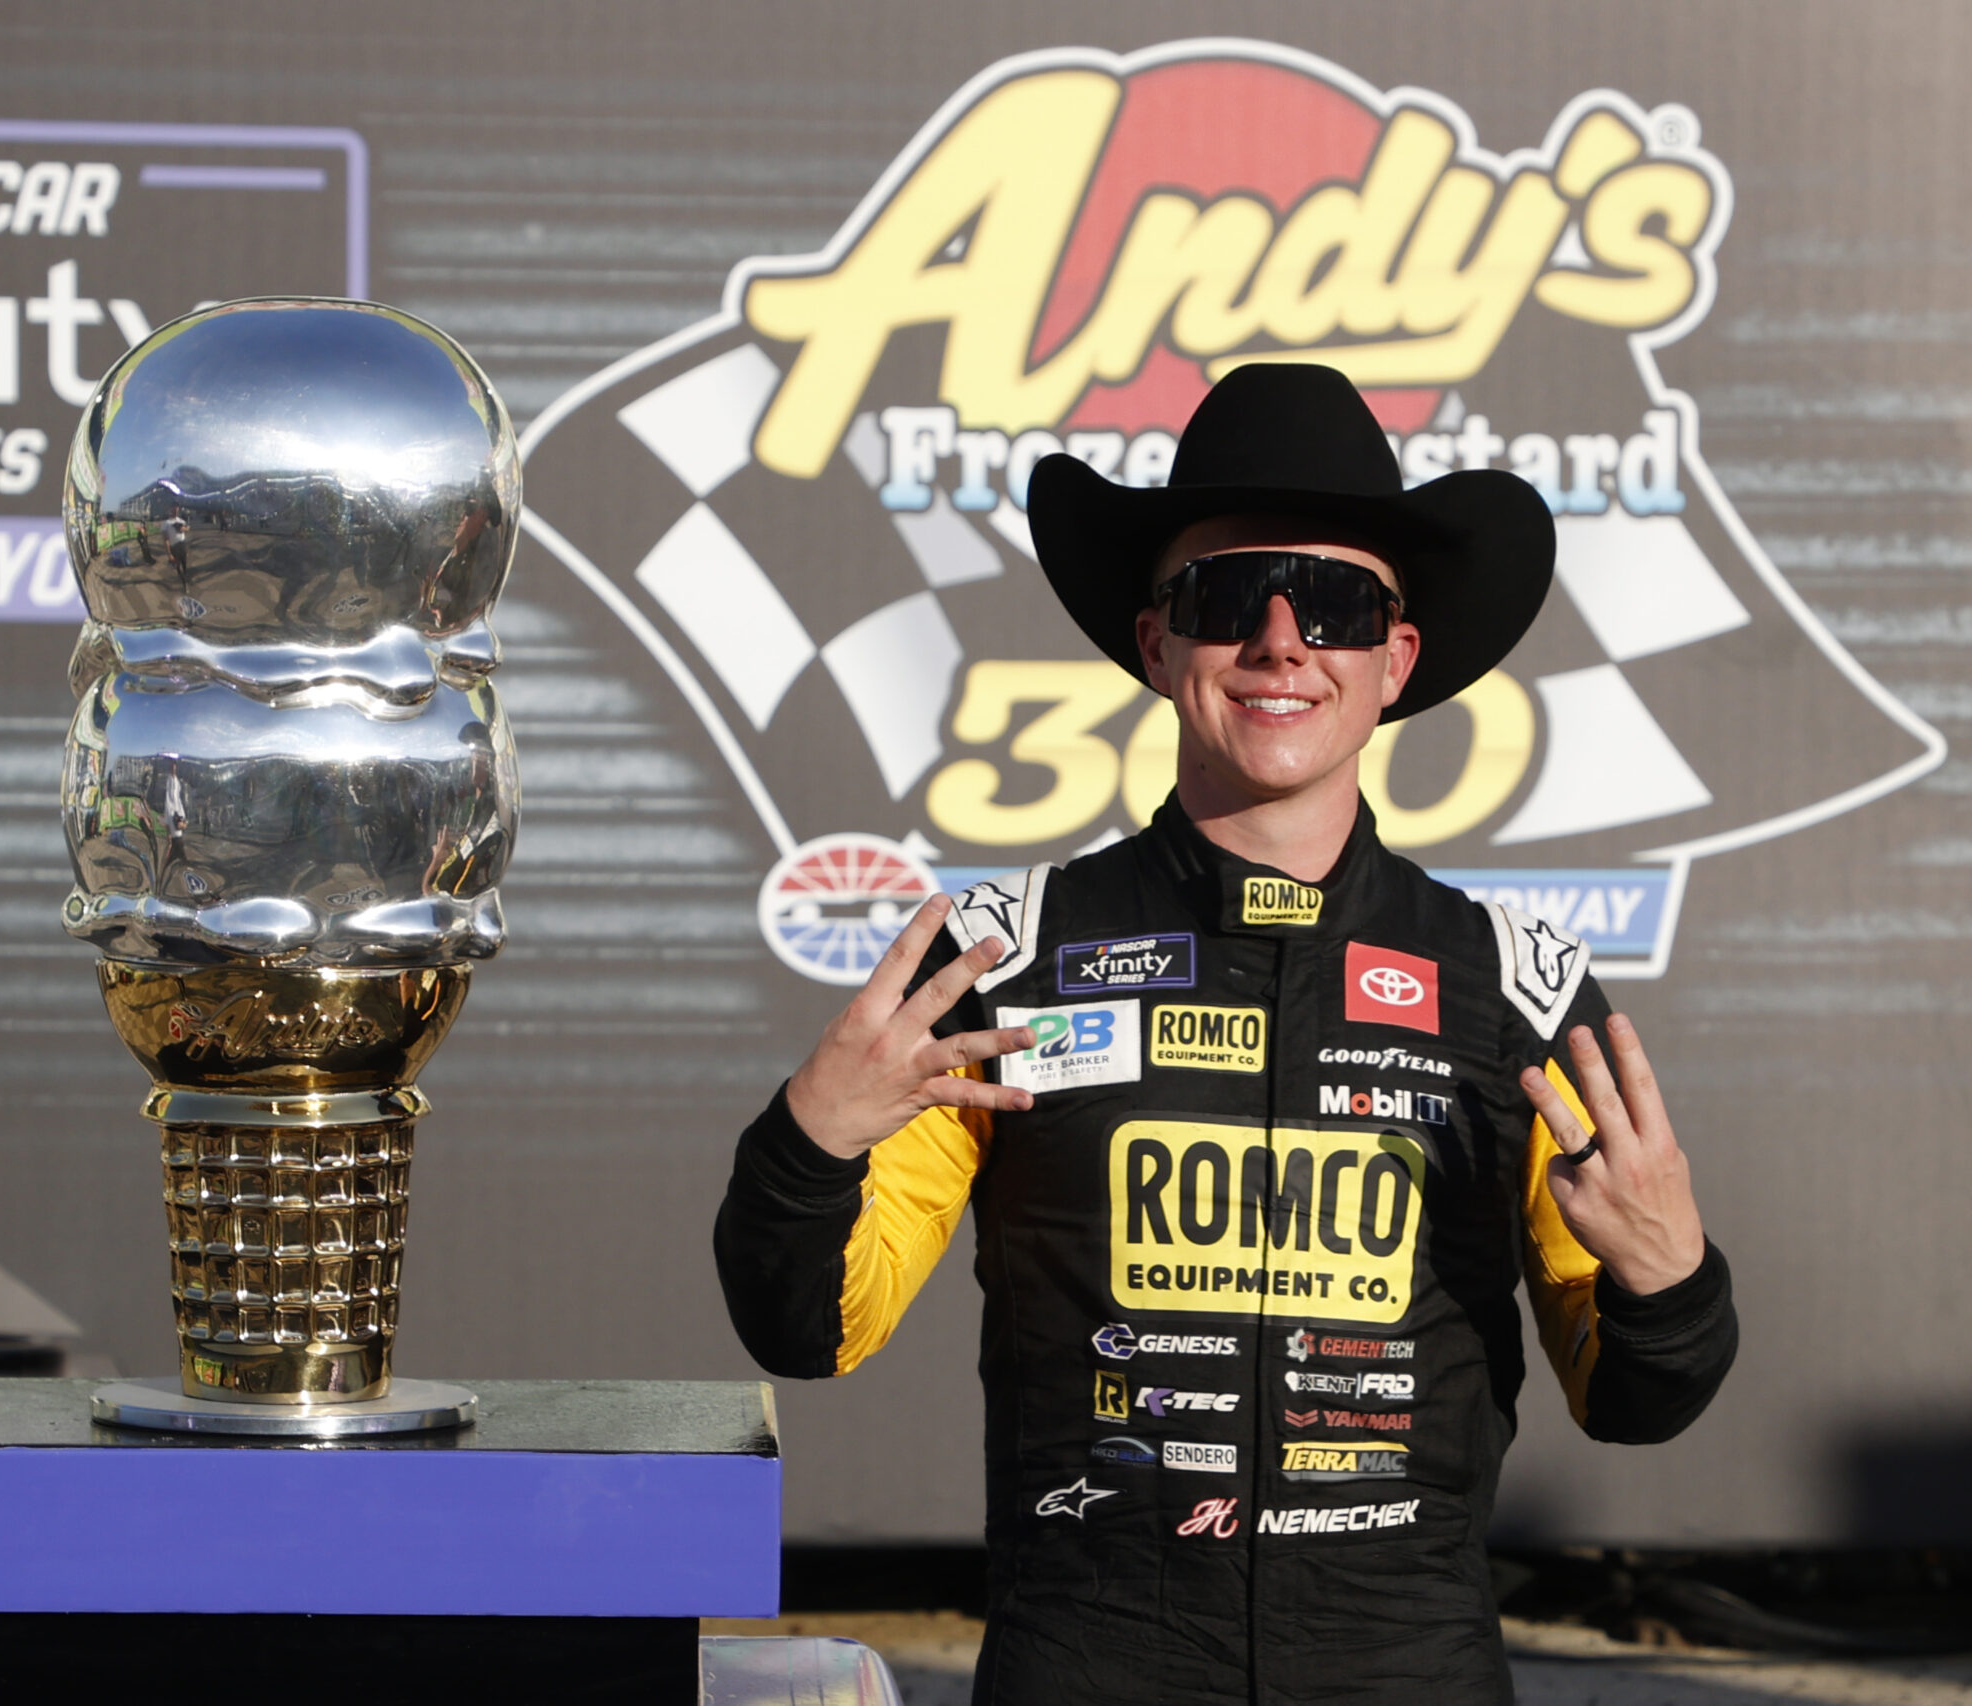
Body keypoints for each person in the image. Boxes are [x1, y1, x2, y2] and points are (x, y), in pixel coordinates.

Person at [712, 364, 1737, 1706]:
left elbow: (1639, 1398)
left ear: (1395, 661)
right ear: (1155, 644)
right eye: (1222, 596)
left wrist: (1672, 1284)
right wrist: (806, 1144)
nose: (1278, 638)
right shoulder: (1001, 965)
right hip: (1091, 1665)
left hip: (1407, 1667)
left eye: (1336, 602)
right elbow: (806, 1330)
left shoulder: (1512, 990)